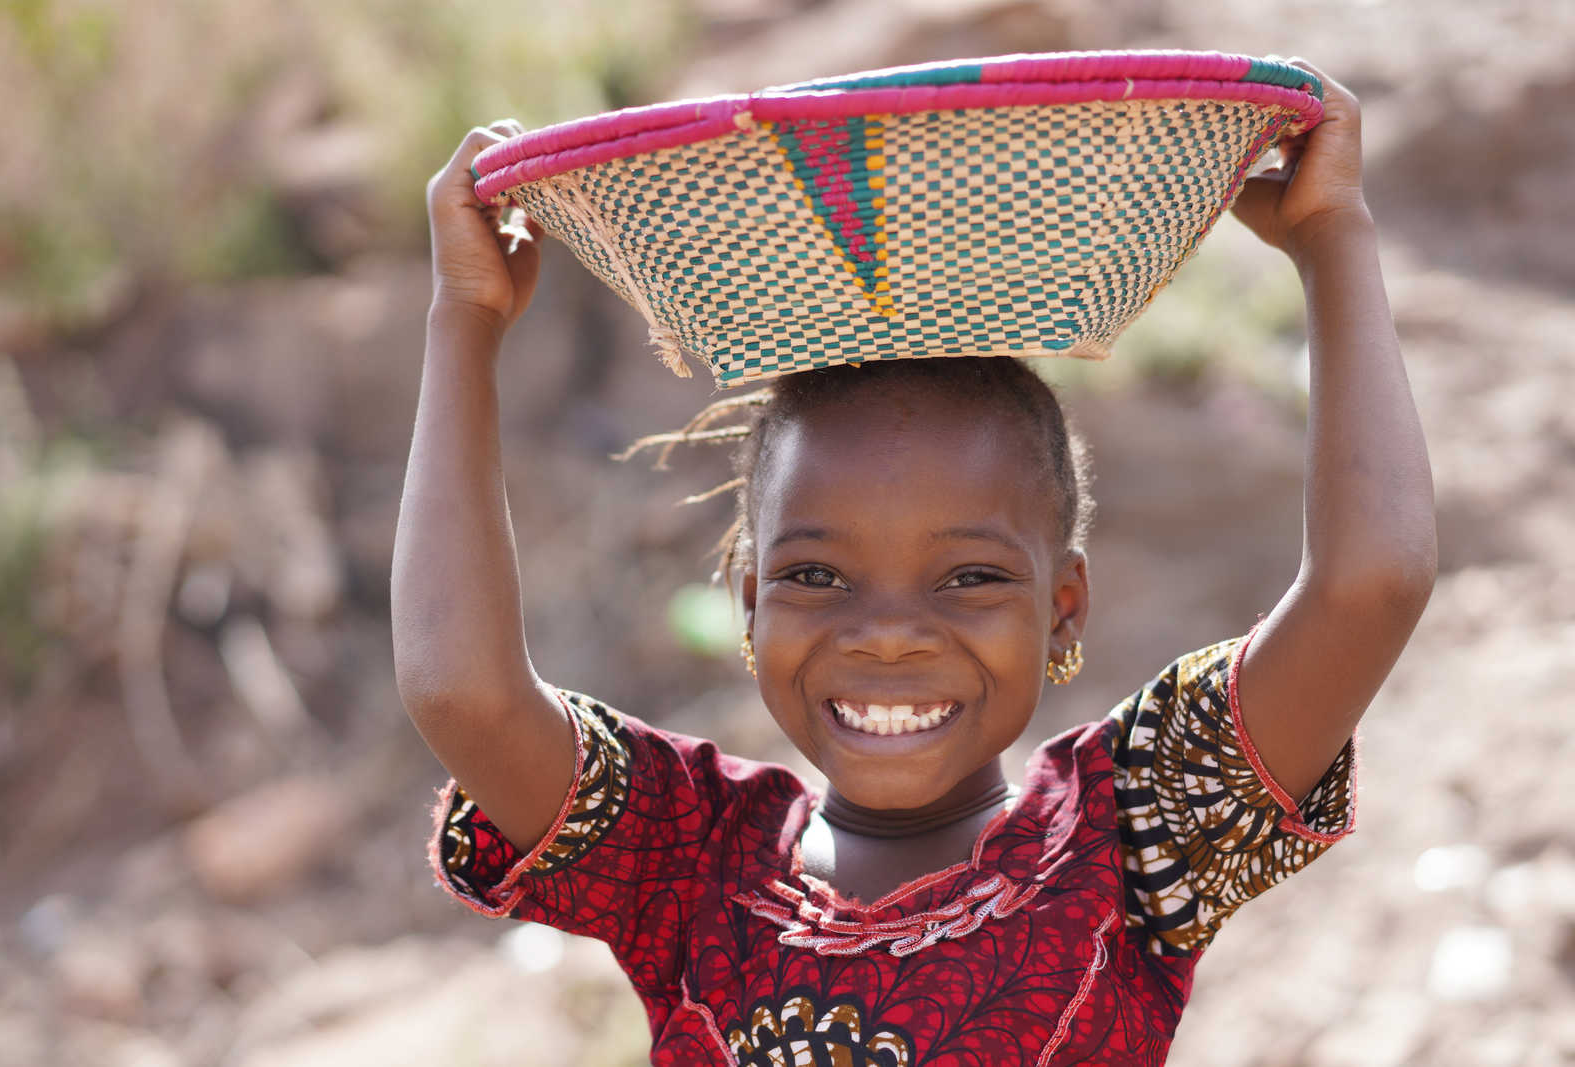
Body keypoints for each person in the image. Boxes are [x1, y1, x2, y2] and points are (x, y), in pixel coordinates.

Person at [392, 60, 1435, 1065]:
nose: (887, 629)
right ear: (749, 602)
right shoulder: (685, 856)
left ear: (1063, 608)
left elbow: (1369, 585)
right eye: (817, 576)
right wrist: (463, 319)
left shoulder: (1130, 827)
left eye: (968, 576)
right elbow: (464, 695)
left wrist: (1330, 236)